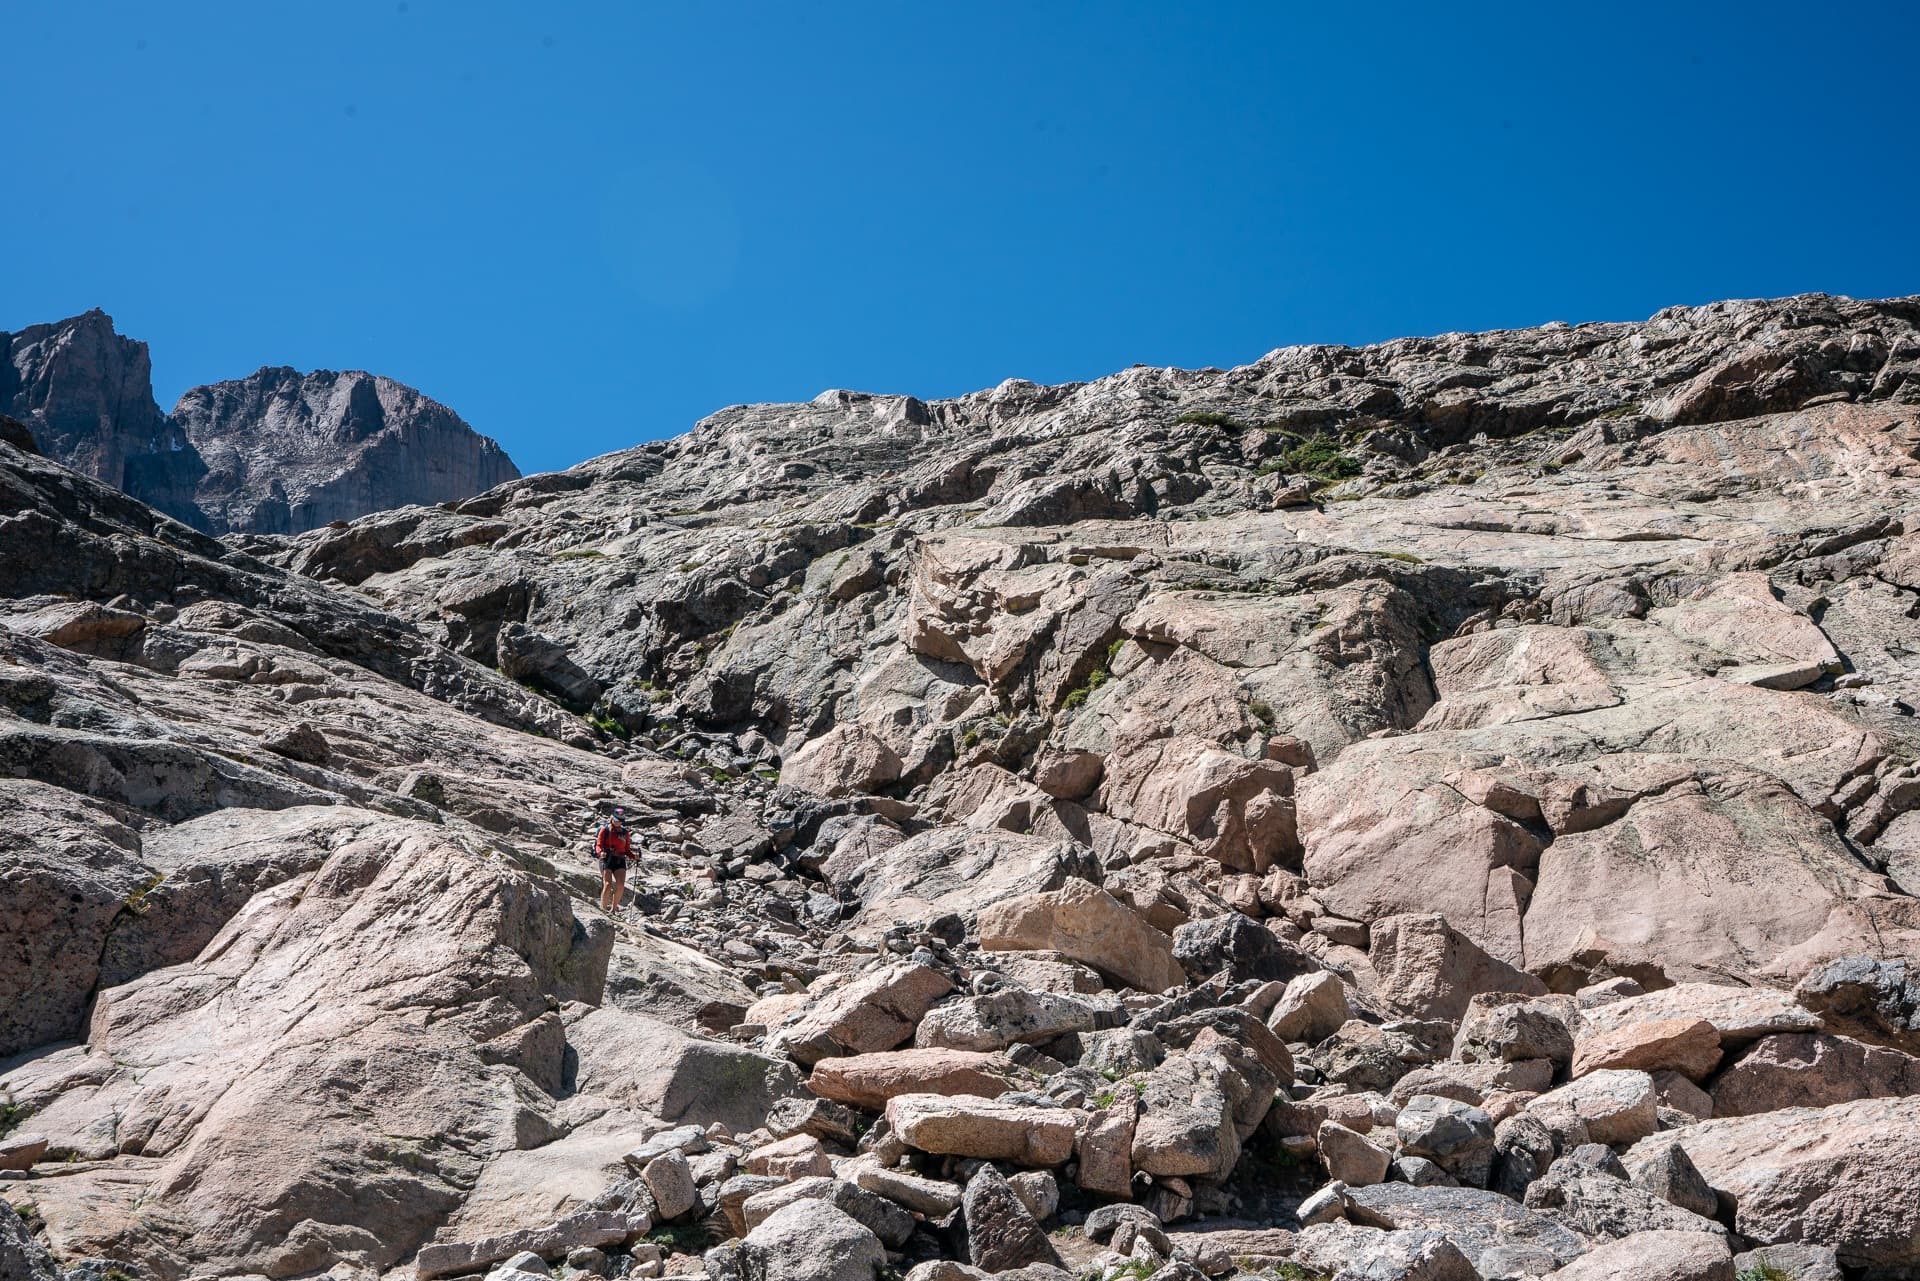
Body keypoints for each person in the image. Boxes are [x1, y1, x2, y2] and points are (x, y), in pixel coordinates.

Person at [595, 807, 632, 913]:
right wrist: (600, 853)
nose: (618, 822)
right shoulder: (605, 830)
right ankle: (603, 908)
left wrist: (634, 856)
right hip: (607, 858)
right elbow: (599, 845)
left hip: (620, 859)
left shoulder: (625, 833)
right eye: (617, 820)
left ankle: (613, 909)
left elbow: (627, 850)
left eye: (620, 820)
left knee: (620, 885)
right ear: (612, 818)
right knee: (607, 884)